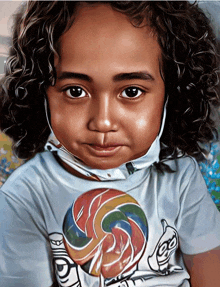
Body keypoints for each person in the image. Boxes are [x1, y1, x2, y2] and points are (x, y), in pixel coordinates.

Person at [0, 1, 220, 286]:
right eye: (75, 91)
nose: (102, 122)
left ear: (172, 95)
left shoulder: (180, 177)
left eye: (131, 91)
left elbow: (209, 266)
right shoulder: (26, 195)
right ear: (41, 94)